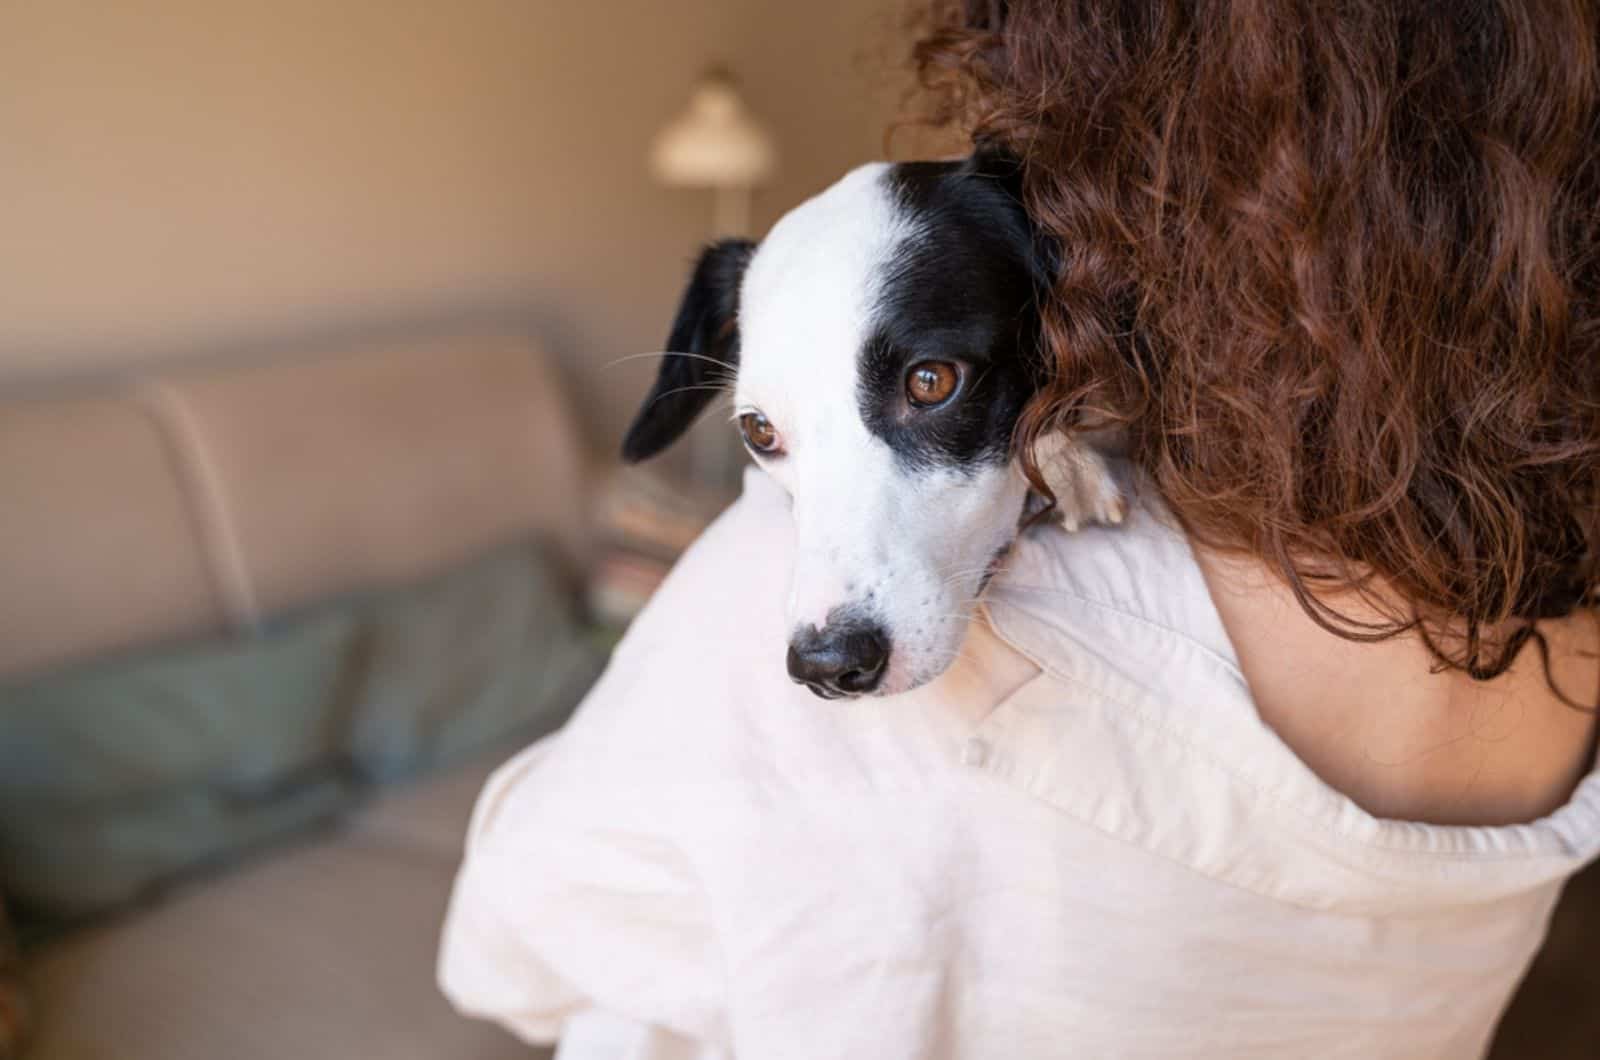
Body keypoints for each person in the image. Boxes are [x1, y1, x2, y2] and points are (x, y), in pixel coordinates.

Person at [439, 3, 1598, 1056]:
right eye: (769, 437)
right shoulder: (1562, 603)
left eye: (930, 384)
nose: (823, 615)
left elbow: (508, 949)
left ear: (1089, 277)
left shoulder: (760, 604)